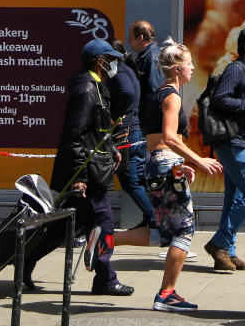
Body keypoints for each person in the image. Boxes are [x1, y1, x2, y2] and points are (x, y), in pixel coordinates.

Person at [84, 39, 223, 312]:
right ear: (177, 69)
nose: (193, 68)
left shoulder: (160, 93)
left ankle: (107, 238)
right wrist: (199, 160)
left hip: (159, 164)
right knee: (184, 231)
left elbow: (159, 140)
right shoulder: (172, 96)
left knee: (164, 232)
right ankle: (166, 294)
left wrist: (180, 165)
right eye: (189, 64)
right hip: (164, 164)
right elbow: (170, 138)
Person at [23, 39, 133, 296]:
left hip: (92, 168)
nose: (115, 64)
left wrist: (112, 150)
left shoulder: (95, 86)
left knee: (63, 228)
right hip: (87, 174)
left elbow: (94, 132)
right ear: (100, 61)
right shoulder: (87, 89)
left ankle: (25, 259)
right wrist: (80, 177)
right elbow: (74, 135)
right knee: (103, 222)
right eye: (111, 59)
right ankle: (105, 280)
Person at [203, 25, 245, 272]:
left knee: (234, 198)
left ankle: (226, 253)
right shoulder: (236, 69)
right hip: (230, 143)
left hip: (241, 143)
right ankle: (219, 242)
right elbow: (220, 99)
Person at [108, 39, 155, 229]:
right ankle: (151, 216)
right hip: (133, 131)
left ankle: (153, 217)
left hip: (126, 133)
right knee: (135, 180)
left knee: (130, 181)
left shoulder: (119, 73)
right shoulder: (128, 71)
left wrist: (116, 115)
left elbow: (126, 94)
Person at [128, 20, 163, 114]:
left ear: (140, 38)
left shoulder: (151, 57)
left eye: (130, 37)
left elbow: (153, 91)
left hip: (148, 119)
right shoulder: (148, 56)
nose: (128, 40)